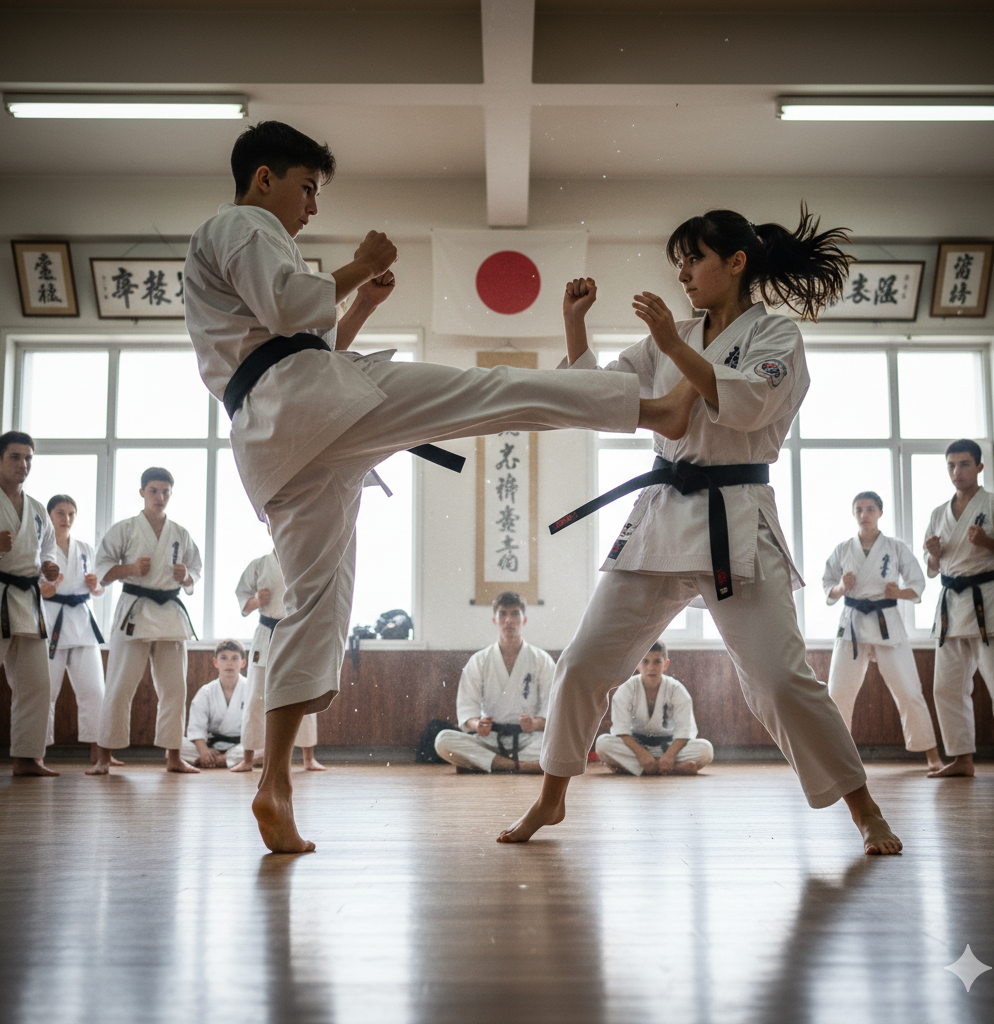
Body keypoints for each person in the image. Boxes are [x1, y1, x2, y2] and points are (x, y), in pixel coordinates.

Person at [183, 121, 696, 852]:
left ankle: (275, 783)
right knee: (491, 391)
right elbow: (296, 310)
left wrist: (361, 302)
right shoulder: (242, 224)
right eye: (307, 188)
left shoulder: (233, 250)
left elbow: (301, 337)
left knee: (312, 607)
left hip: (277, 440)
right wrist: (360, 264)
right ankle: (649, 410)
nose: (312, 206)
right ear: (264, 177)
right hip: (310, 404)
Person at [498, 205, 903, 855]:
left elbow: (749, 404)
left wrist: (673, 346)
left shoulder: (774, 336)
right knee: (582, 663)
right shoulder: (674, 335)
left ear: (736, 262)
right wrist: (575, 326)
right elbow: (601, 396)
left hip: (734, 517)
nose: (683, 273)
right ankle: (551, 797)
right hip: (662, 515)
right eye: (679, 262)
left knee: (781, 680)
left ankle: (864, 809)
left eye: (695, 259)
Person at [87, 467, 203, 775]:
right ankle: (104, 755)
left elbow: (195, 572)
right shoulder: (125, 529)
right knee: (119, 685)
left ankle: (174, 756)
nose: (159, 497)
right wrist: (131, 569)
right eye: (153, 491)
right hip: (135, 609)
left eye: (165, 492)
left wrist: (186, 576)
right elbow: (102, 569)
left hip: (170, 613)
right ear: (142, 492)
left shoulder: (180, 533)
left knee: (175, 689)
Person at [922, 439, 994, 780]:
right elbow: (932, 569)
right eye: (951, 465)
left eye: (964, 464)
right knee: (946, 687)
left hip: (988, 601)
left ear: (979, 466)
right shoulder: (938, 513)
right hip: (951, 607)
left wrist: (987, 542)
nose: (957, 471)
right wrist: (933, 554)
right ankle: (962, 759)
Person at [823, 491, 942, 771]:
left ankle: (932, 755)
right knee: (838, 692)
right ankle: (836, 758)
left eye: (870, 509)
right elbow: (828, 587)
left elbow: (917, 583)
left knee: (909, 690)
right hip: (852, 625)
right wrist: (841, 586)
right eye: (859, 509)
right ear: (853, 514)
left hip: (886, 622)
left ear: (880, 512)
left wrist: (899, 592)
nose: (864, 514)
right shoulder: (843, 549)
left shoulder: (896, 547)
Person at [434, 591, 553, 773]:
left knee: (562, 742)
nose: (508, 620)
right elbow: (467, 710)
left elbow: (551, 709)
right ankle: (519, 766)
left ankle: (486, 763)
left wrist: (534, 724)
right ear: (494, 620)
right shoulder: (479, 660)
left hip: (529, 738)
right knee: (443, 740)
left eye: (515, 613)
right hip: (490, 738)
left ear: (524, 619)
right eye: (502, 614)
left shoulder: (541, 660)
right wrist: (478, 725)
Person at [231, 543, 324, 773]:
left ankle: (308, 758)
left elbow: (317, 597)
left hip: (296, 633)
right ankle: (248, 759)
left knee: (303, 693)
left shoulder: (304, 563)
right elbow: (242, 597)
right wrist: (256, 601)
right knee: (256, 696)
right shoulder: (259, 565)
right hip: (266, 633)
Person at [0, 431, 61, 776]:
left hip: (28, 599)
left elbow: (48, 549)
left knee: (37, 683)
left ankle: (27, 758)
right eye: (15, 456)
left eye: (28, 458)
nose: (23, 464)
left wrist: (49, 566)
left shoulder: (37, 509)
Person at [40, 494, 117, 766]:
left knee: (95, 691)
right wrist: (48, 590)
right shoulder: (42, 550)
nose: (66, 518)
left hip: (83, 624)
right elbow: (39, 590)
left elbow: (99, 590)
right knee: (46, 692)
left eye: (71, 513)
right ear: (49, 516)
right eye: (60, 513)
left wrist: (96, 586)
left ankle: (99, 752)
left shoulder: (85, 548)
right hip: (53, 623)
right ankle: (36, 755)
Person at [594, 640, 713, 775]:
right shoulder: (627, 688)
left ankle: (637, 769)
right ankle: (674, 769)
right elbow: (621, 731)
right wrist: (642, 755)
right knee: (602, 744)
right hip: (635, 746)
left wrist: (669, 756)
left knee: (705, 749)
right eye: (645, 662)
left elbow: (684, 730)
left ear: (665, 664)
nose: (651, 667)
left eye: (657, 662)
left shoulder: (676, 689)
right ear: (638, 664)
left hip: (668, 746)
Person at [181, 640, 248, 768]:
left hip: (242, 745)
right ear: (215, 662)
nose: (229, 663)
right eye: (223, 658)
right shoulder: (206, 692)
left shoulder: (251, 689)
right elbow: (196, 728)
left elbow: (258, 728)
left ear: (243, 663)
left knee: (266, 745)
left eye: (234, 658)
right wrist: (204, 750)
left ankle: (220, 760)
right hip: (212, 745)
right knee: (175, 746)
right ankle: (223, 759)